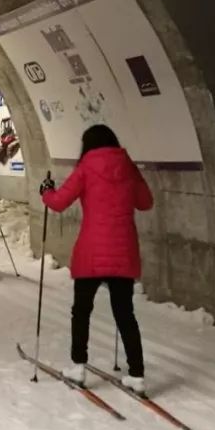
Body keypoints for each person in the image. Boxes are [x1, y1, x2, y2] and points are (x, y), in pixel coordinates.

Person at [39, 124, 153, 391]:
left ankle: (78, 368)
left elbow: (58, 202)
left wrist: (45, 191)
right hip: (123, 250)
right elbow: (146, 202)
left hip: (92, 251)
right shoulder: (128, 167)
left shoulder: (86, 168)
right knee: (125, 314)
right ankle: (136, 375)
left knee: (81, 311)